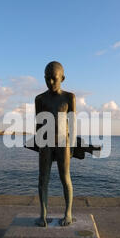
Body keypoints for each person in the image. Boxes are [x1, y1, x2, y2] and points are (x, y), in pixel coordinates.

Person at [34, 61, 76, 227]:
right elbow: (38, 123)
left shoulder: (68, 97)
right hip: (45, 142)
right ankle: (43, 214)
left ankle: (68, 213)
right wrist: (38, 144)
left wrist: (71, 146)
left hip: (63, 142)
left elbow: (72, 124)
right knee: (43, 179)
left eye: (54, 79)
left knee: (65, 178)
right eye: (47, 79)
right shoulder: (40, 99)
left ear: (62, 78)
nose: (50, 82)